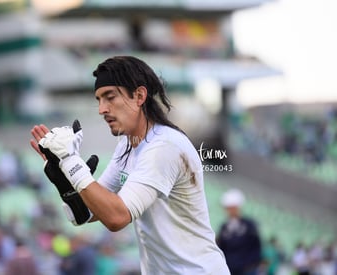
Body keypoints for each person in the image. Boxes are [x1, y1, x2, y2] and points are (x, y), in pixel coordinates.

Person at [30, 55, 230, 274]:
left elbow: (116, 218)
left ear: (139, 96)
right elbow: (88, 212)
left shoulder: (164, 146)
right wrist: (65, 180)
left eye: (110, 97)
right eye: (99, 99)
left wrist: (71, 161)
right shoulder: (128, 144)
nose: (102, 109)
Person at [217, 188, 262, 275]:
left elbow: (256, 246)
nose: (229, 210)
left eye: (232, 207)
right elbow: (222, 247)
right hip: (230, 269)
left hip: (247, 270)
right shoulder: (224, 227)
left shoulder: (249, 225)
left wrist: (250, 265)